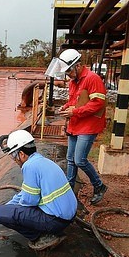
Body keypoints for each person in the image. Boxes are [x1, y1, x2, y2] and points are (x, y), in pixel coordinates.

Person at [0, 130, 77, 251]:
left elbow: (30, 201)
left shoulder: (29, 166)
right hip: (68, 216)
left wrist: (9, 211)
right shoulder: (43, 161)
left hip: (56, 221)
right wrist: (11, 205)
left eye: (14, 156)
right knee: (8, 209)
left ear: (21, 154)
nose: (15, 160)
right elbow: (26, 191)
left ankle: (41, 237)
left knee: (1, 213)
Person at [55, 49, 108, 205]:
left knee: (80, 160)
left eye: (69, 71)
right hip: (76, 124)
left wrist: (75, 111)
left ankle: (99, 186)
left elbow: (98, 104)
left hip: (88, 125)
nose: (68, 75)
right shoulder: (73, 82)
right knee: (70, 159)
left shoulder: (93, 79)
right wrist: (65, 107)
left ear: (78, 66)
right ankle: (69, 190)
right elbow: (73, 101)